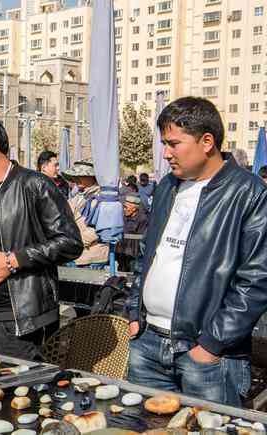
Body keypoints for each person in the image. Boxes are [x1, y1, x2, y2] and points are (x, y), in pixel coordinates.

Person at [127, 96, 267, 406]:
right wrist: (134, 312)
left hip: (205, 354)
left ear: (206, 141)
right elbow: (147, 256)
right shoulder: (167, 187)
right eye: (164, 143)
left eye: (174, 144)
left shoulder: (249, 193)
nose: (166, 154)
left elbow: (257, 279)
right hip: (147, 342)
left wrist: (211, 343)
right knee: (141, 426)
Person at [0, 114, 83, 360]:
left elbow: (70, 243)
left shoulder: (34, 185)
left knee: (21, 397)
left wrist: (13, 260)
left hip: (17, 326)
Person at [61, 160, 109, 268]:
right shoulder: (78, 196)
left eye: (80, 175)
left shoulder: (103, 197)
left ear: (92, 177)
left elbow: (98, 229)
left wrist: (75, 241)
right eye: (74, 176)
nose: (76, 179)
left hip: (92, 256)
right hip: (76, 254)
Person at [115, 195, 148, 272]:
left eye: (126, 207)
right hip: (122, 251)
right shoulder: (123, 216)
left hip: (134, 253)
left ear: (134, 209)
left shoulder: (143, 219)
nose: (124, 209)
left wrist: (124, 235)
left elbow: (143, 237)